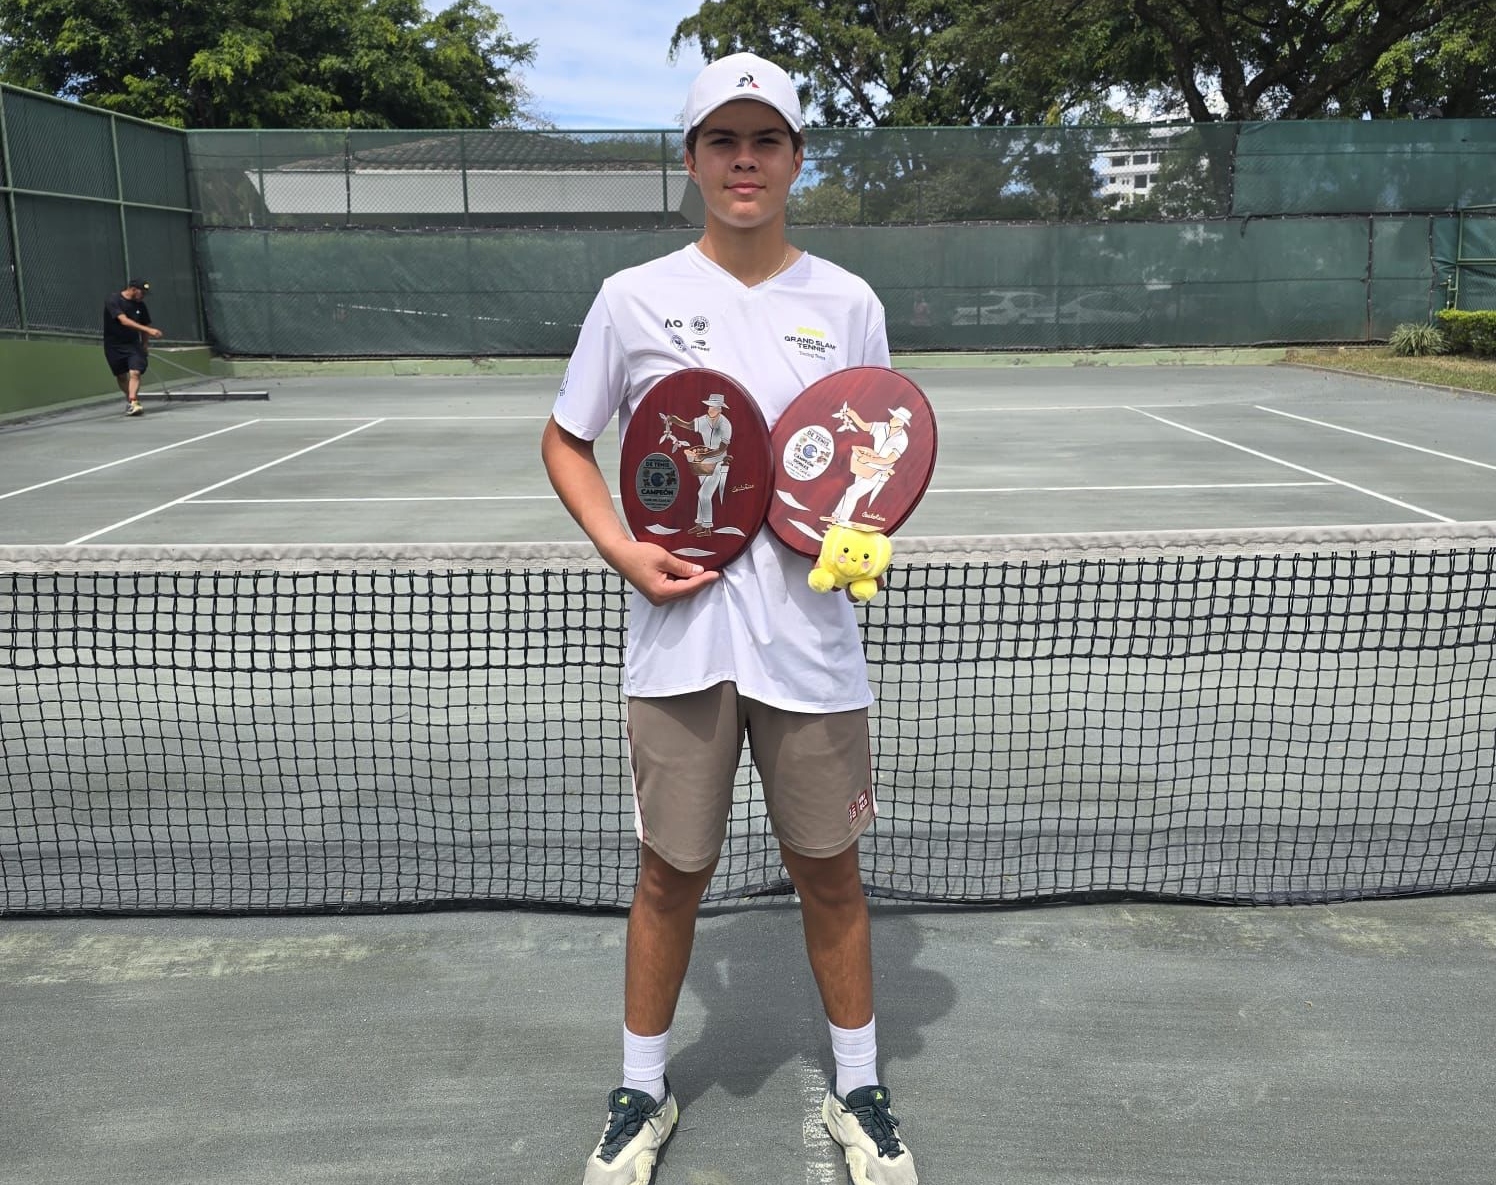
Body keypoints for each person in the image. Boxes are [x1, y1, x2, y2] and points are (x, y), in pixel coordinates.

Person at [540, 51, 919, 1185]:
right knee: (669, 874)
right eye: (722, 140)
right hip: (680, 646)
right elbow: (567, 439)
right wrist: (621, 549)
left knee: (831, 873)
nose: (743, 161)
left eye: (764, 140)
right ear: (693, 159)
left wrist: (861, 537)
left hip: (812, 648)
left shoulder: (848, 302)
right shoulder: (633, 297)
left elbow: (874, 457)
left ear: (796, 159)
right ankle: (638, 1091)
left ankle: (861, 1088)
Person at [102, 279, 162, 416]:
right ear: (133, 289)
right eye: (142, 292)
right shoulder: (113, 300)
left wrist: (145, 345)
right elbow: (123, 321)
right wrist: (150, 330)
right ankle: (131, 399)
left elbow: (145, 325)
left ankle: (133, 400)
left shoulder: (141, 306)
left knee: (135, 372)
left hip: (133, 345)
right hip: (113, 346)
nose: (144, 296)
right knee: (121, 376)